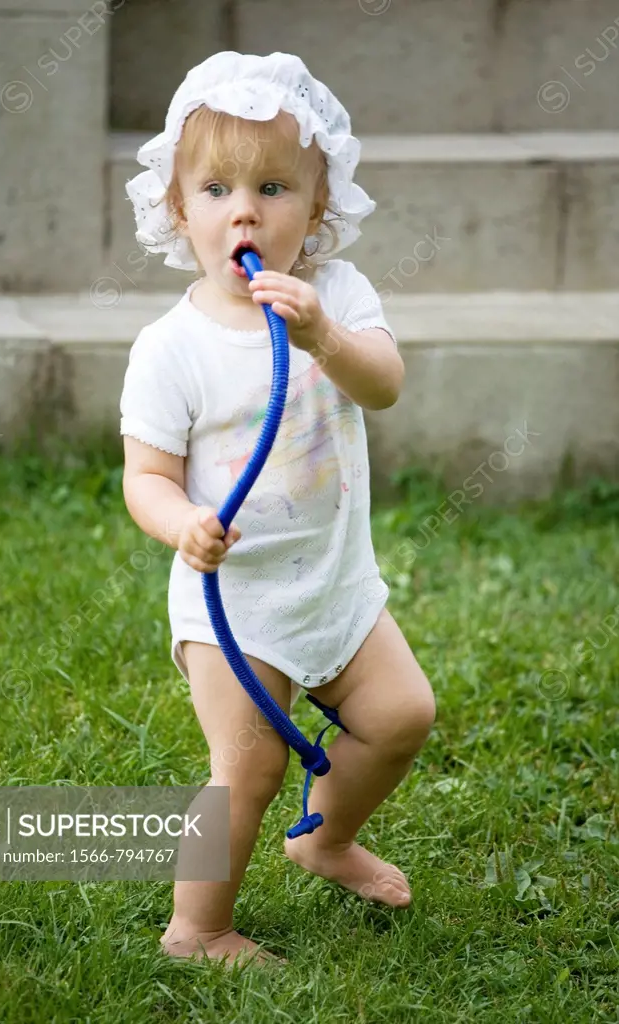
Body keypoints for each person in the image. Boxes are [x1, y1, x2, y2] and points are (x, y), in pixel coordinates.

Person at [119, 51, 436, 968]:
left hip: (333, 583)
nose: (244, 210)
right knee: (248, 768)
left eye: (272, 186)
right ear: (180, 212)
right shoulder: (171, 347)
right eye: (215, 189)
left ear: (319, 207)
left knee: (402, 715)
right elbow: (147, 477)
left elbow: (383, 386)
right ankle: (197, 928)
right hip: (233, 608)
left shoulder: (336, 296)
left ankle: (324, 840)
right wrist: (182, 523)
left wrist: (323, 336)